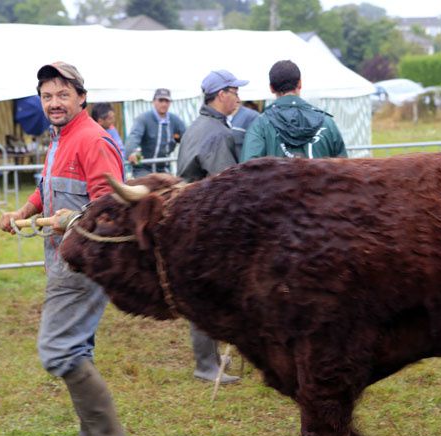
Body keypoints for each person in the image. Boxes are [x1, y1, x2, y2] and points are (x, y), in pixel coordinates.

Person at [0, 62, 131, 436]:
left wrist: (73, 218)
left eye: (62, 94)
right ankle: (90, 435)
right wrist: (24, 211)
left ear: (81, 97)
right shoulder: (59, 139)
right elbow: (47, 188)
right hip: (61, 258)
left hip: (84, 265)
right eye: (47, 95)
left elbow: (111, 208)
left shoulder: (94, 140)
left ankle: (109, 434)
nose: (54, 102)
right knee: (79, 348)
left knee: (58, 348)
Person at [177, 69, 250, 384]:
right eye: (235, 91)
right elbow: (227, 184)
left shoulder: (200, 126)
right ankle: (206, 365)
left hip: (191, 220)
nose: (238, 97)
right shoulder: (217, 133)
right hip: (206, 225)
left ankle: (210, 359)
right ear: (221, 94)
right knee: (205, 296)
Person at [241, 60, 347, 162]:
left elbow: (247, 172)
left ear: (271, 88)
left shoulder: (260, 126)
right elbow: (345, 173)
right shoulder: (327, 123)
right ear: (300, 84)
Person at [125, 88, 185, 176]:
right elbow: (134, 137)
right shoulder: (143, 119)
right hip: (143, 169)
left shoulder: (175, 120)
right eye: (160, 100)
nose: (164, 104)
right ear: (153, 101)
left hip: (164, 169)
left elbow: (187, 138)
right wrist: (131, 152)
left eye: (167, 101)